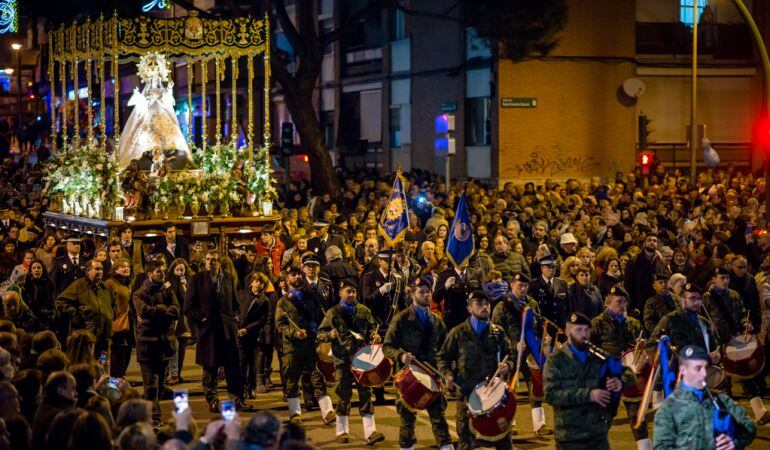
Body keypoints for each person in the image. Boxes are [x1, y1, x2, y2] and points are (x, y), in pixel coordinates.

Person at [544, 312, 634, 450]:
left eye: (586, 330)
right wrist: (588, 395)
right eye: (578, 330)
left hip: (597, 433)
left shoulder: (597, 356)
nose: (584, 334)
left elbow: (627, 371)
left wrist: (620, 382)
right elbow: (551, 395)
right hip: (570, 436)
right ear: (568, 331)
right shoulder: (556, 360)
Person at [437, 290, 514, 450]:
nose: (484, 307)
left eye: (487, 303)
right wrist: (447, 374)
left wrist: (508, 365)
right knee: (466, 441)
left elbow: (510, 355)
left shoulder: (497, 332)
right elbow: (443, 357)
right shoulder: (458, 332)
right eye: (479, 304)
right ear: (469, 307)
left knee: (503, 439)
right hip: (467, 394)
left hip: (493, 394)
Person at [384, 277, 453, 450]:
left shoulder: (437, 321)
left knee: (439, 418)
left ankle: (446, 447)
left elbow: (446, 350)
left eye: (428, 292)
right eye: (421, 292)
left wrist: (448, 371)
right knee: (407, 421)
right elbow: (387, 346)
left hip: (432, 374)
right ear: (413, 294)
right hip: (408, 375)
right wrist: (400, 356)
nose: (426, 295)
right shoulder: (401, 318)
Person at [184, 250, 254, 413]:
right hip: (208, 330)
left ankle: (236, 400)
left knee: (233, 367)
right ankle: (212, 400)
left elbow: (236, 303)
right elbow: (188, 307)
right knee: (210, 368)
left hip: (228, 329)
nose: (211, 263)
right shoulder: (197, 279)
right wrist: (202, 319)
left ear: (219, 262)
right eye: (208, 260)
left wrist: (235, 317)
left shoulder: (228, 278)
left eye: (214, 260)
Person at [318, 279, 384, 445]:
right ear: (340, 293)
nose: (351, 294)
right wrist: (329, 335)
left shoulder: (363, 310)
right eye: (348, 291)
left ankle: (370, 431)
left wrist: (374, 336)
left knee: (365, 392)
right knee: (343, 393)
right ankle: (342, 431)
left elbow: (371, 329)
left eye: (353, 291)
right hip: (341, 359)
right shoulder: (333, 312)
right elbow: (319, 334)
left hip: (362, 357)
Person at [653, 345, 756, 449]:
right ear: (683, 370)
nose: (705, 374)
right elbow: (661, 447)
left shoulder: (720, 399)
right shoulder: (669, 407)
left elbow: (748, 425)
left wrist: (735, 442)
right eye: (698, 368)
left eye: (706, 368)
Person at [491, 272, 552, 436]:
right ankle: (511, 424)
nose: (523, 288)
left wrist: (544, 338)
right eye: (520, 285)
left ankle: (539, 425)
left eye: (526, 286)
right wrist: (514, 344)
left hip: (530, 351)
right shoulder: (502, 306)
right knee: (508, 390)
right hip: (510, 354)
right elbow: (496, 331)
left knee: (536, 386)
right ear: (512, 285)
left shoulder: (531, 304)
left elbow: (538, 326)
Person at [589, 286, 650, 450]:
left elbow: (643, 344)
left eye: (625, 302)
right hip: (608, 375)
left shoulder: (634, 323)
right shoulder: (597, 323)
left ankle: (645, 447)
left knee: (637, 416)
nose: (623, 305)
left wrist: (642, 345)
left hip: (630, 374)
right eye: (618, 302)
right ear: (608, 302)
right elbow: (588, 348)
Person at [275, 261, 335, 425]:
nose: (297, 277)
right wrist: (294, 333)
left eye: (298, 274)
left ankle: (327, 411)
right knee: (292, 380)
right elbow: (280, 324)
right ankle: (295, 413)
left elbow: (319, 319)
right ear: (287, 279)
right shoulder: (283, 302)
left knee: (318, 377)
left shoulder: (311, 297)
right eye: (293, 275)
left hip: (311, 345)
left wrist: (322, 335)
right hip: (293, 347)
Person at [132, 258, 179, 423]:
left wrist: (158, 312)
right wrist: (163, 310)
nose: (163, 274)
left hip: (164, 344)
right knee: (150, 385)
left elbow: (176, 311)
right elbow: (144, 311)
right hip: (147, 345)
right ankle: (154, 417)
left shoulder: (168, 290)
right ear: (150, 273)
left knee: (159, 385)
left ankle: (145, 413)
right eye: (159, 271)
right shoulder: (139, 293)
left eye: (164, 271)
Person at [54, 259, 114, 356]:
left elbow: (112, 305)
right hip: (86, 337)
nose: (100, 272)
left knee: (102, 364)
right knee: (86, 364)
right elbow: (59, 302)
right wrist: (75, 313)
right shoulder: (79, 285)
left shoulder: (104, 288)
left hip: (104, 338)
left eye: (101, 269)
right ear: (88, 271)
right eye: (96, 269)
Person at [237, 272, 271, 399]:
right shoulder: (242, 295)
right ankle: (242, 388)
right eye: (256, 281)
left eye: (261, 282)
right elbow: (236, 310)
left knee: (252, 365)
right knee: (241, 364)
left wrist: (247, 329)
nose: (258, 284)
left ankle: (251, 388)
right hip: (239, 334)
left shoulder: (264, 300)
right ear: (251, 282)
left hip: (253, 336)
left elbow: (262, 320)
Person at [31, 371, 78, 449]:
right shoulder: (62, 415)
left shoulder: (44, 407)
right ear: (60, 391)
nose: (76, 393)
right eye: (73, 389)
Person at [529, 254, 569, 331]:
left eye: (553, 267)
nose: (551, 269)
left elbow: (568, 306)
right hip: (543, 327)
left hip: (561, 327)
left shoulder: (562, 283)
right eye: (548, 267)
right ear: (542, 268)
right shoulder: (533, 285)